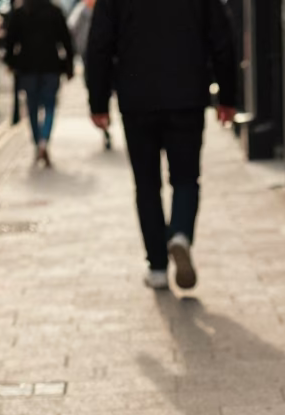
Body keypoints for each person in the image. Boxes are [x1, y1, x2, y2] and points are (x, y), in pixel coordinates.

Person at [86, 0, 237, 291]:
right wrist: (228, 97)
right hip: (187, 95)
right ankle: (179, 232)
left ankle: (157, 267)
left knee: (146, 184)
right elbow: (222, 38)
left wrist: (98, 102)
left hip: (137, 99)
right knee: (186, 178)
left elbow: (100, 43)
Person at [3, 0, 73, 166]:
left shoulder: (20, 12)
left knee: (32, 107)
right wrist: (69, 65)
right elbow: (66, 40)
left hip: (28, 68)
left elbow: (10, 42)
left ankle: (37, 142)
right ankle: (44, 141)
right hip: (51, 66)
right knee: (49, 105)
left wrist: (12, 63)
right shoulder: (54, 11)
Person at [66, 0, 109, 149]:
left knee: (94, 84)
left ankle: (105, 123)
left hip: (89, 53)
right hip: (96, 54)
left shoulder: (84, 9)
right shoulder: (85, 9)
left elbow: (71, 29)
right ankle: (106, 124)